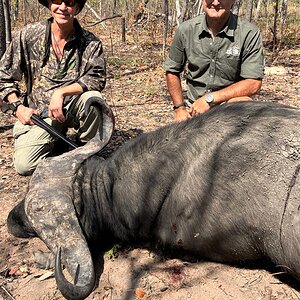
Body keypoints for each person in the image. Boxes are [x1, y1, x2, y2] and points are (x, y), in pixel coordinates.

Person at [0, 0, 108, 175]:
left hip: (72, 108)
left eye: (70, 2)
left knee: (94, 99)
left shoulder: (90, 43)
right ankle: (58, 145)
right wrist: (17, 107)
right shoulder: (29, 35)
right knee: (24, 165)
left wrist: (62, 92)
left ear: (77, 8)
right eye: (57, 1)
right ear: (50, 5)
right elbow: (2, 76)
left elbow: (96, 78)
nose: (63, 7)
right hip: (40, 116)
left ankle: (86, 149)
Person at [164, 0, 264, 122]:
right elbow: (172, 70)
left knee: (244, 103)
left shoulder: (248, 33)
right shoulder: (186, 30)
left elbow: (253, 83)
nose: (215, 3)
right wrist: (179, 109)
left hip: (229, 106)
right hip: (194, 108)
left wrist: (210, 99)